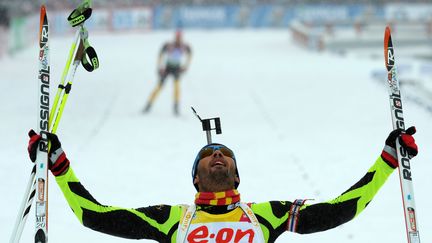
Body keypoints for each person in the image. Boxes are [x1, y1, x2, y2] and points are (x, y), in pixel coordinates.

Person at [27, 127, 418, 242]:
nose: (217, 155)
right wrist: (58, 164)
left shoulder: (265, 215)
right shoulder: (174, 219)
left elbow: (338, 210)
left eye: (225, 154)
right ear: (196, 177)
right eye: (207, 155)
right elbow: (94, 216)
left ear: (236, 174)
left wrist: (386, 160)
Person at [143, 30, 192, 116]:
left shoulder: (184, 46)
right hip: (167, 68)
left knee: (177, 87)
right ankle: (148, 105)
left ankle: (176, 107)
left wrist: (185, 66)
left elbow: (190, 54)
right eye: (177, 37)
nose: (178, 39)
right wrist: (160, 66)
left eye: (179, 38)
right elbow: (160, 54)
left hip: (177, 68)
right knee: (159, 87)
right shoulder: (169, 45)